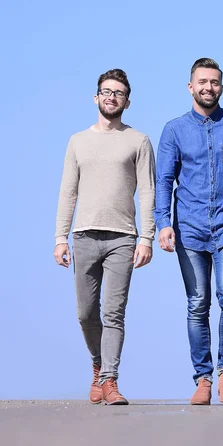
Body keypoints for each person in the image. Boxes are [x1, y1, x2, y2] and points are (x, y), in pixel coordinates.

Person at [155, 58, 223, 405]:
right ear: (190, 86)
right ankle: (202, 378)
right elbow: (164, 180)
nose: (208, 87)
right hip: (189, 228)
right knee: (198, 303)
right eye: (202, 82)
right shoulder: (173, 130)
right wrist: (163, 223)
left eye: (214, 82)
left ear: (222, 87)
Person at [54, 69, 156, 405]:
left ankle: (110, 380)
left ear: (128, 100)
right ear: (96, 96)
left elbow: (148, 192)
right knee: (85, 313)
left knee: (114, 312)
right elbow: (68, 191)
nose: (111, 97)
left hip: (123, 237)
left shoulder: (138, 141)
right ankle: (97, 364)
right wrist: (60, 237)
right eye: (106, 91)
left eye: (118, 93)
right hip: (83, 236)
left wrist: (147, 238)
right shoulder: (78, 141)